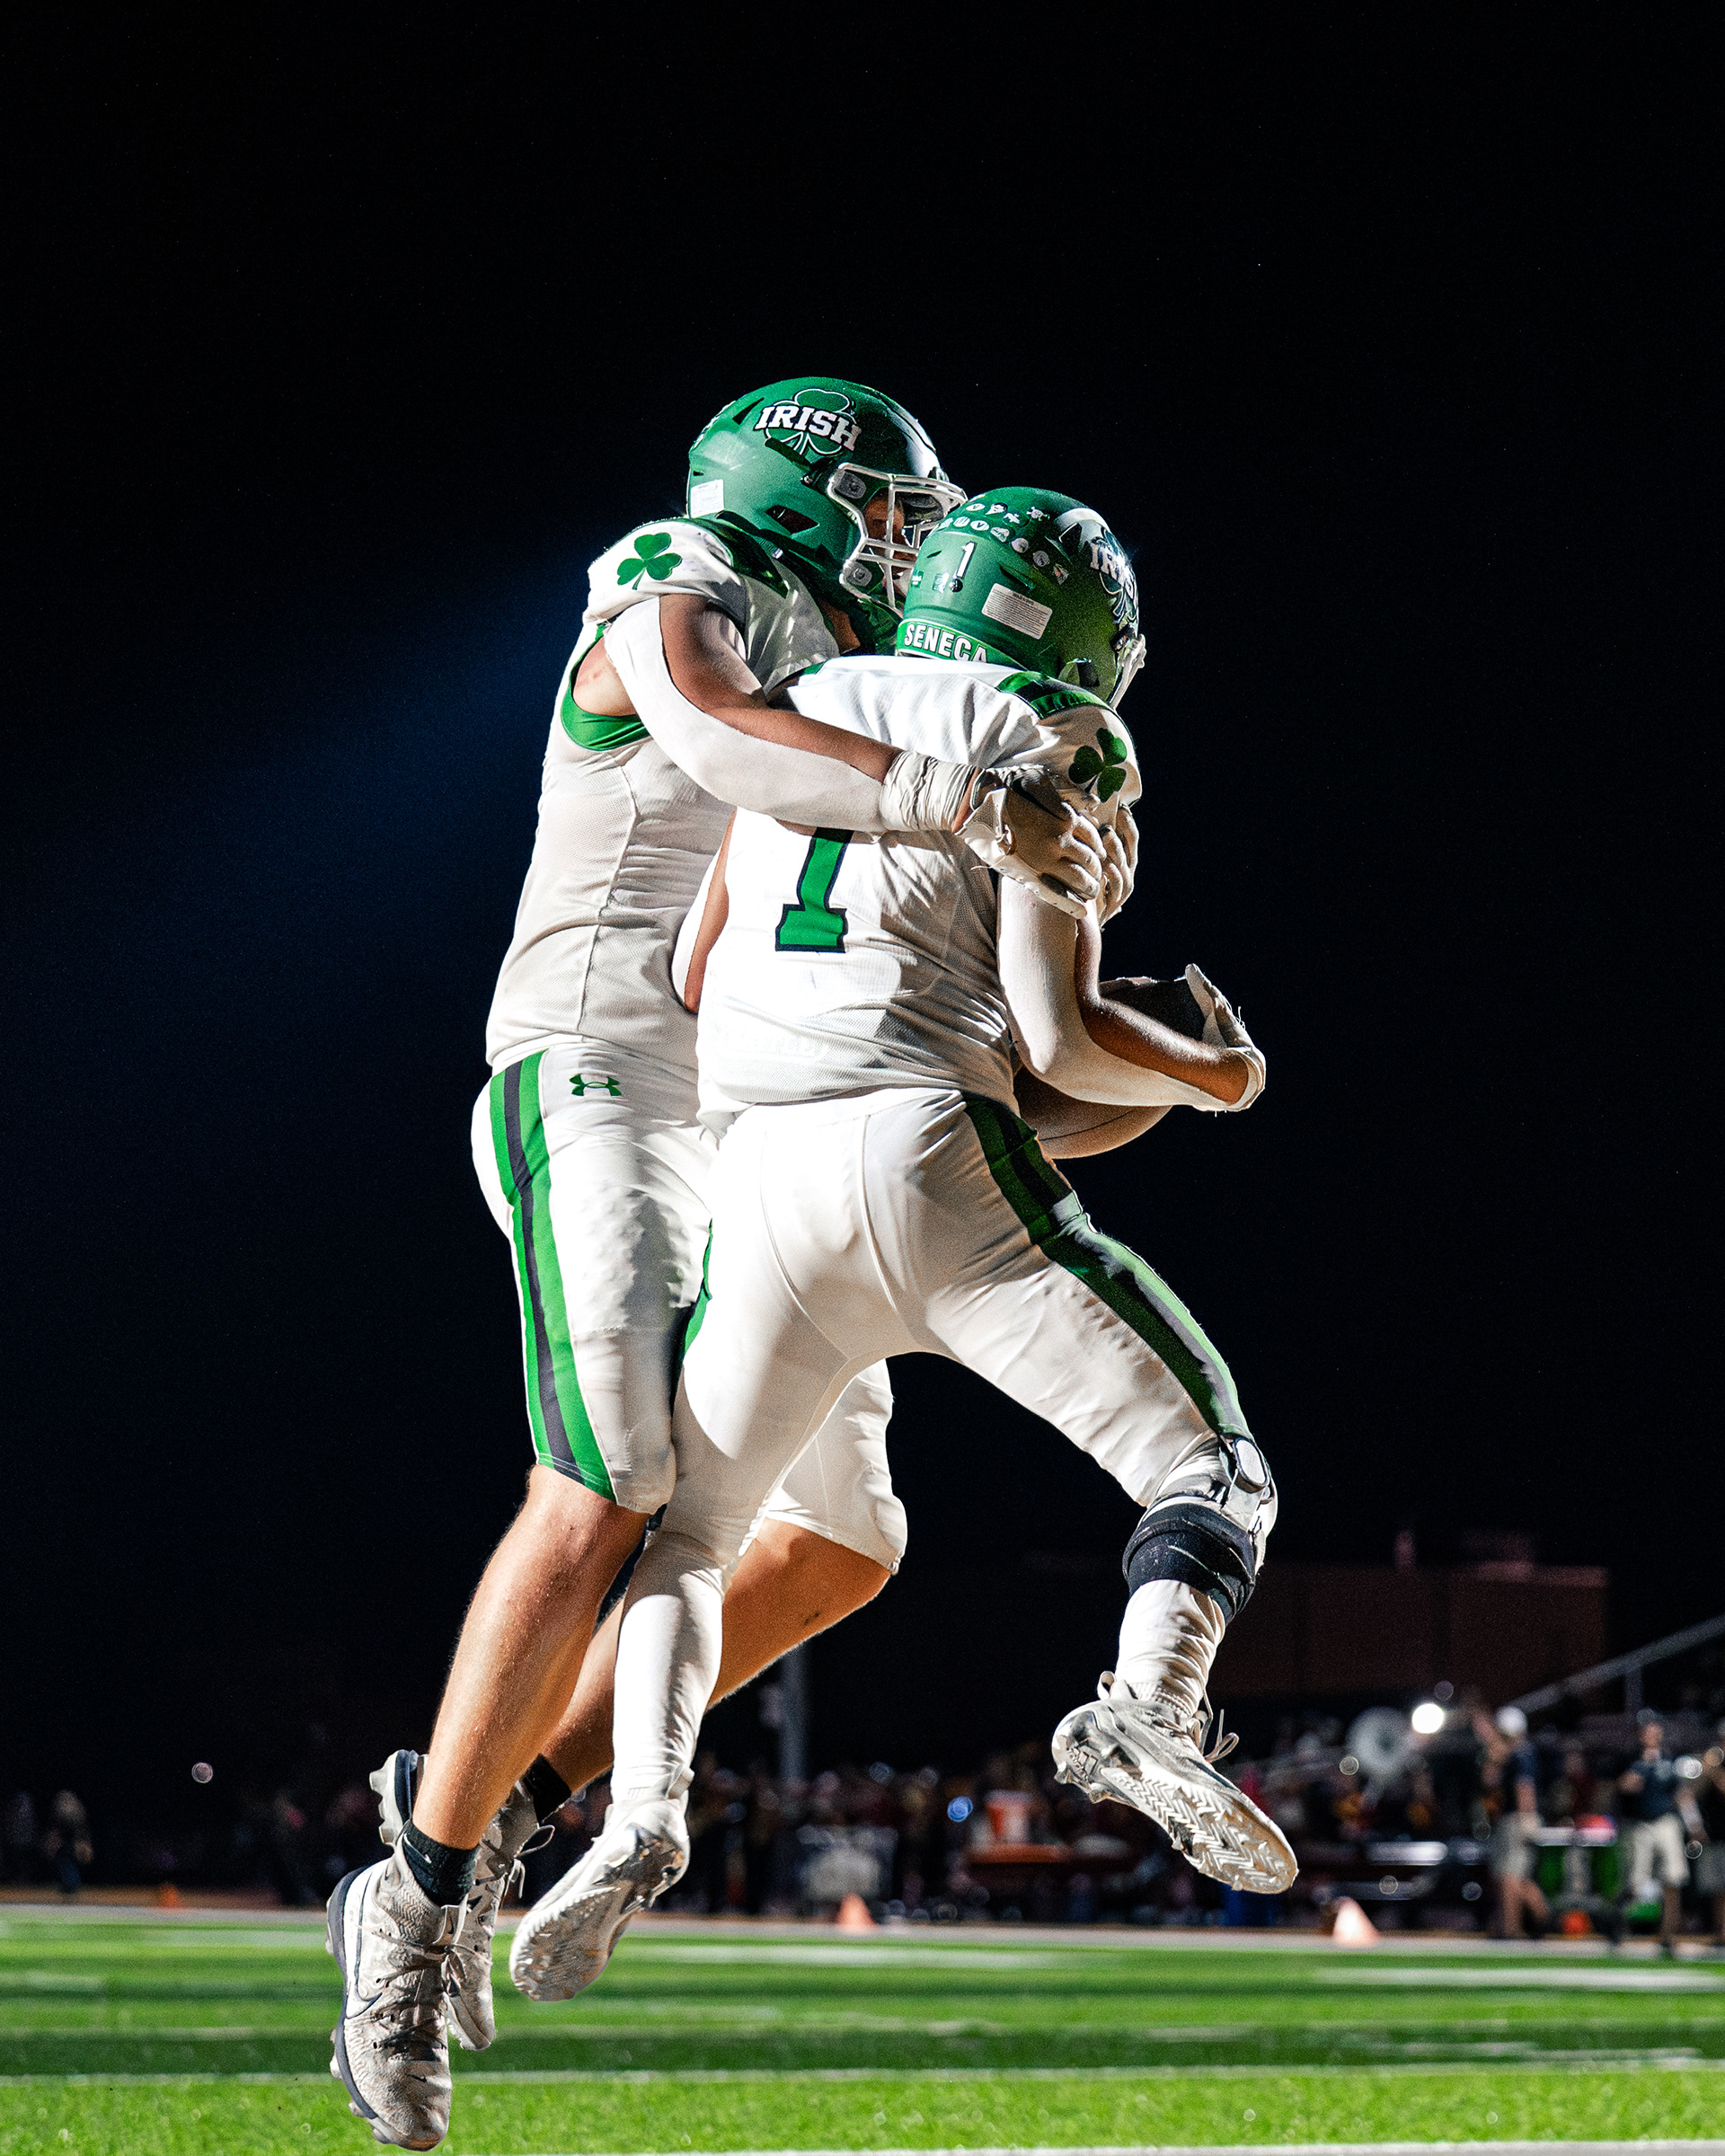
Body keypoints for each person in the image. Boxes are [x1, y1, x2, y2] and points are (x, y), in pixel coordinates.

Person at [326, 385, 1113, 2152]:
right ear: (793, 493)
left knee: (843, 1540)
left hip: (762, 1111)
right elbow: (719, 728)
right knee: (611, 1470)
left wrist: (1141, 1041)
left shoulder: (870, 684)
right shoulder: (680, 579)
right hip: (597, 1070)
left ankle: (495, 1802)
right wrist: (958, 797)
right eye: (884, 507)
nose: (908, 543)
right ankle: (415, 1905)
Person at [513, 484, 1296, 2003]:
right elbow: (1061, 1041)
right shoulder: (1050, 730)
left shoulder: (795, 708)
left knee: (693, 1541)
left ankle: (638, 1824)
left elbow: (695, 969)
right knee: (1212, 1469)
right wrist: (1217, 1073)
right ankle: (1150, 1706)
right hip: (930, 1152)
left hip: (760, 1182)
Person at [1618, 1713, 1701, 1956]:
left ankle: (1668, 1934)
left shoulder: (1670, 1758)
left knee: (1673, 1878)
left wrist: (1694, 1824)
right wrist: (1642, 1765)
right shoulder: (1629, 1757)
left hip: (1665, 1821)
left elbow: (1682, 1794)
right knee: (1635, 1881)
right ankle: (1620, 1927)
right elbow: (1624, 1786)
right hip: (1639, 1824)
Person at [1482, 1705, 1549, 1940]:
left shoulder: (1522, 1755)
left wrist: (1526, 1818)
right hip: (1513, 1818)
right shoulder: (1512, 1755)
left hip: (1519, 1819)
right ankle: (1513, 1925)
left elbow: (1524, 1788)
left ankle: (1514, 1927)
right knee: (1511, 1876)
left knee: (1510, 1877)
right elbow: (1489, 1779)